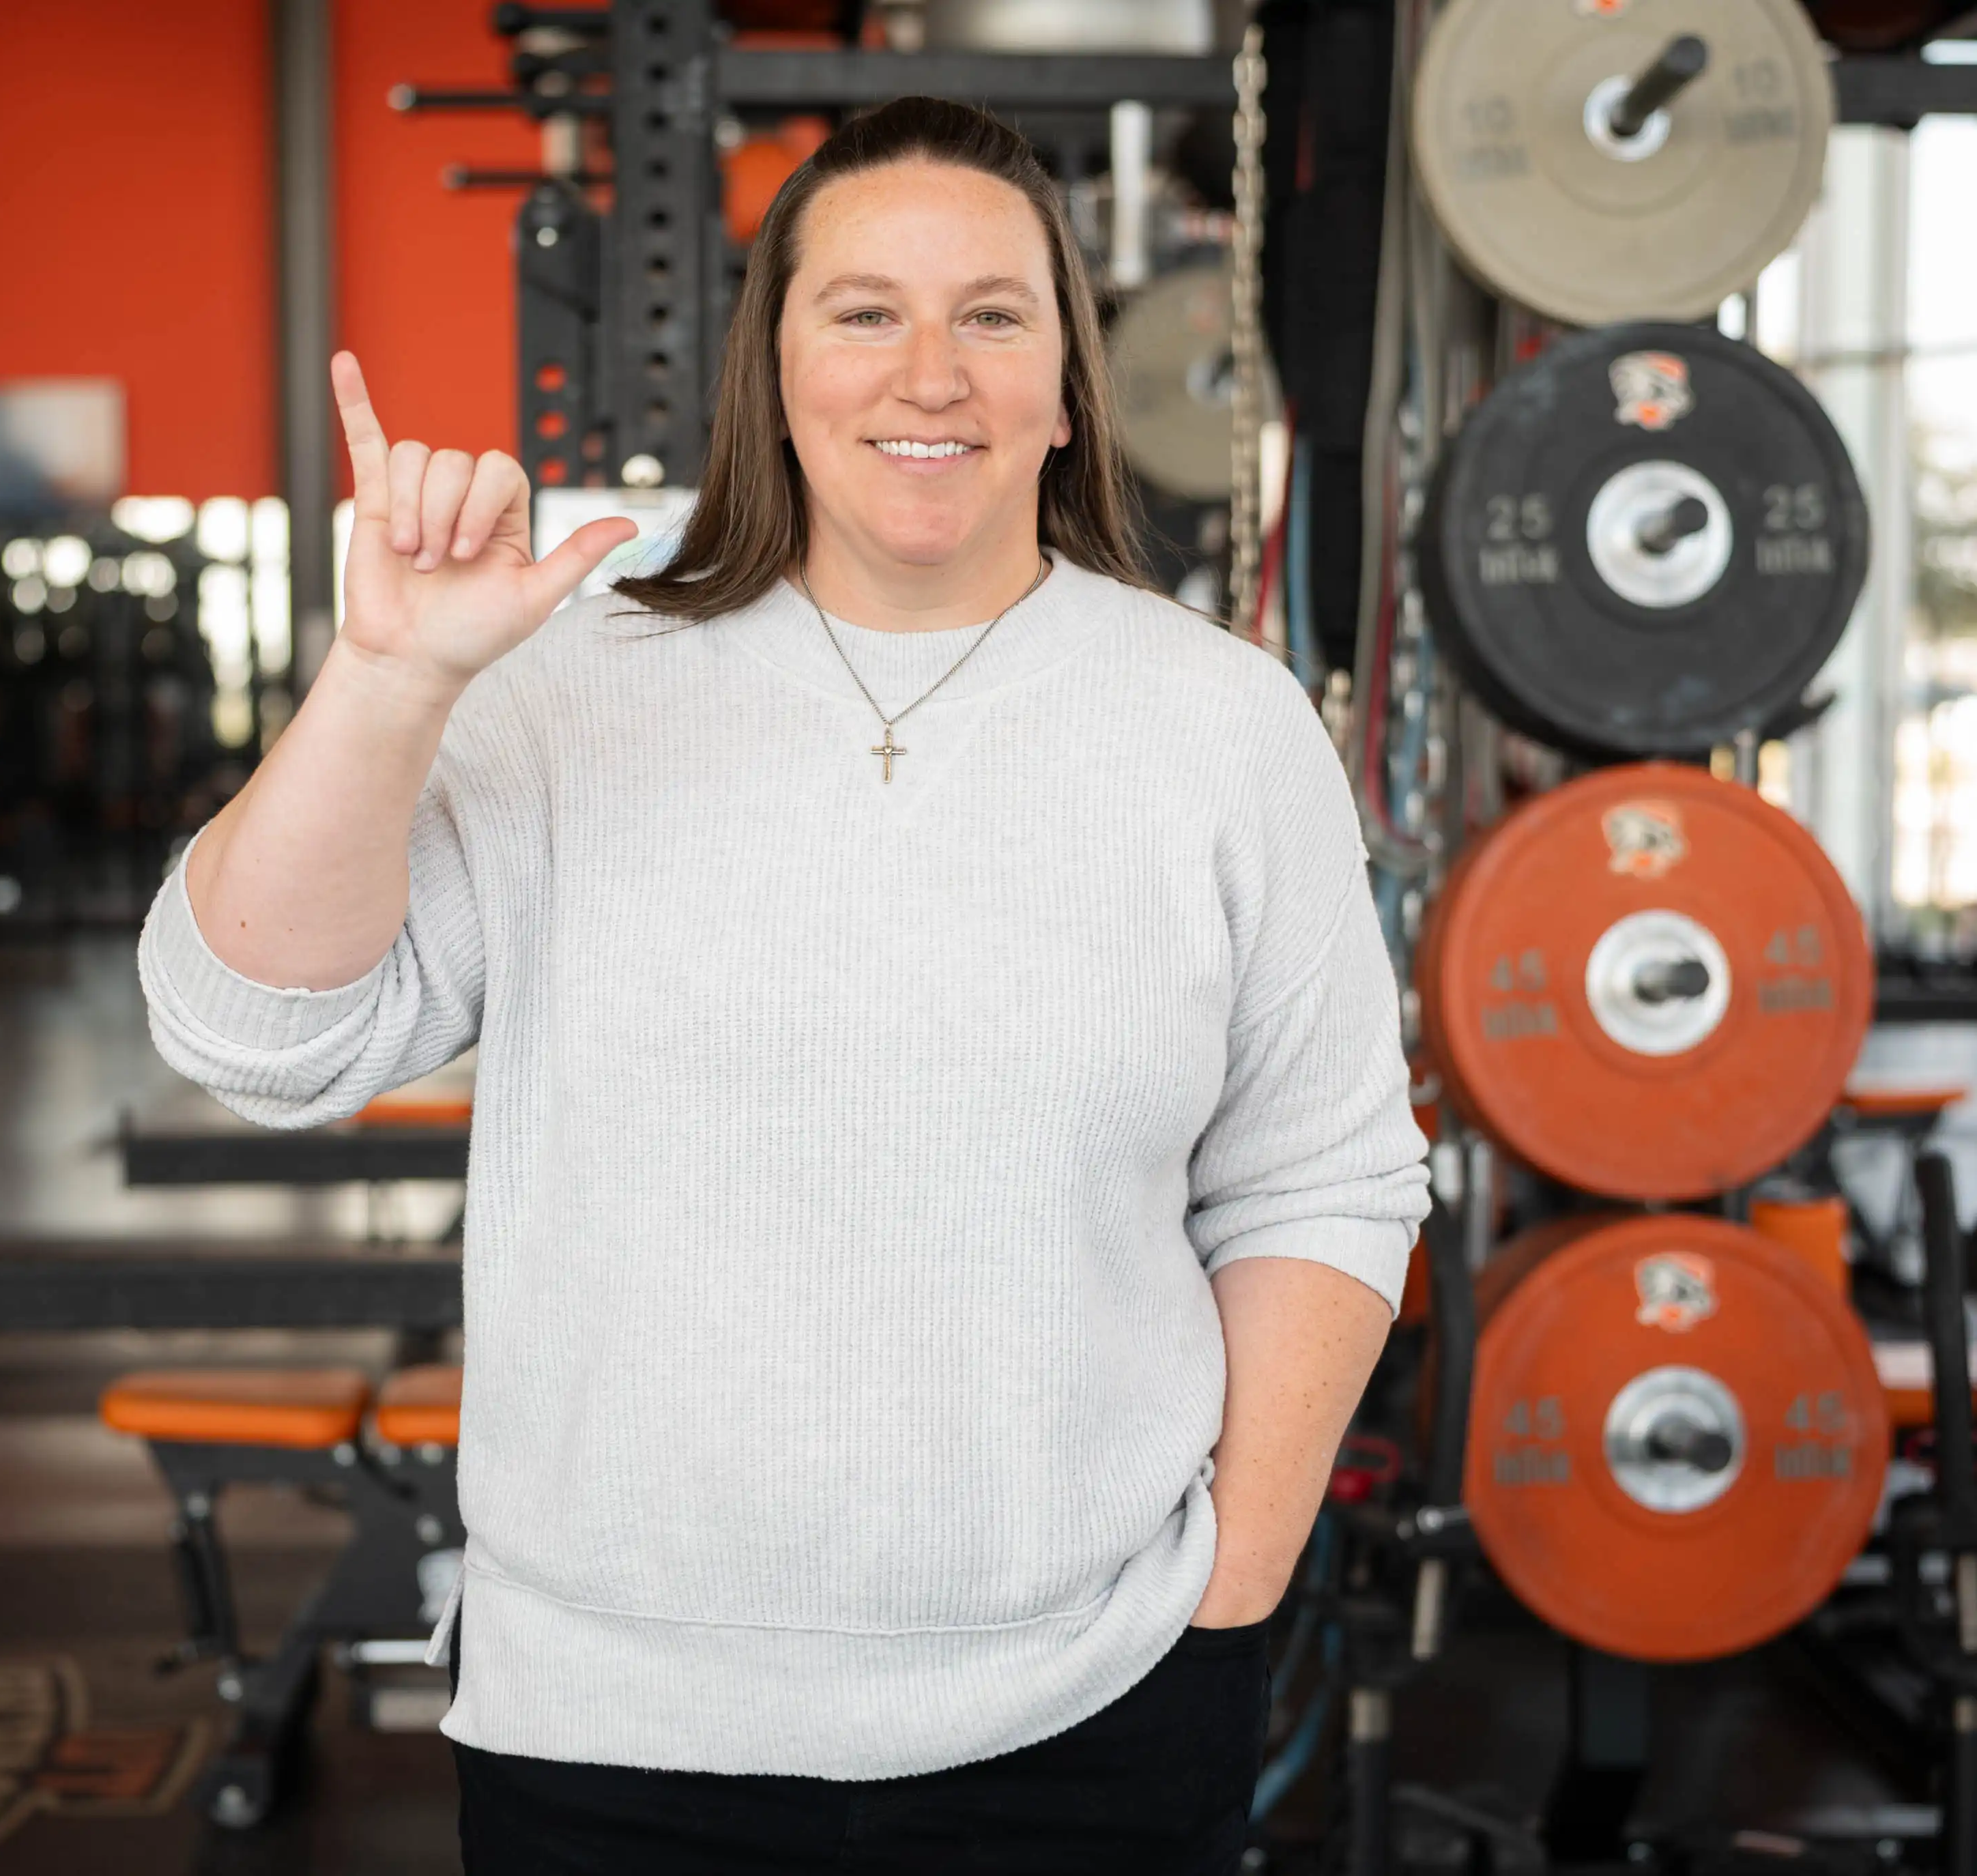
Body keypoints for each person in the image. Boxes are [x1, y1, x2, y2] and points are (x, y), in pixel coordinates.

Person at [140, 95, 1429, 1875]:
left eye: (992, 314)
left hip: (1092, 1716)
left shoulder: (1214, 723)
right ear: (773, 368)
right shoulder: (566, 685)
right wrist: (381, 679)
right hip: (607, 1729)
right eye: (862, 311)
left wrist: (1234, 1579)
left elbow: (1324, 1174)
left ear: (1069, 385)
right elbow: (252, 1035)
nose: (930, 371)